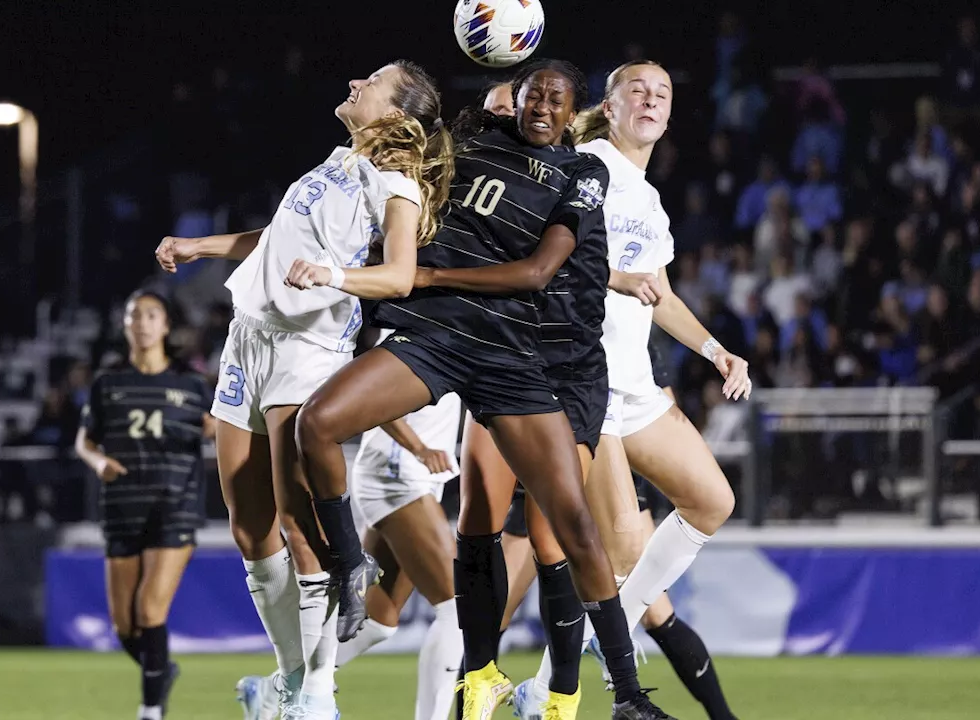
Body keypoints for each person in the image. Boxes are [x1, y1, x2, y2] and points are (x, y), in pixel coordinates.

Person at [291, 59, 671, 720]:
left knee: (571, 527)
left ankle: (626, 694)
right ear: (513, 101)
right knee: (318, 423)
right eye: (531, 95)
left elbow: (539, 272)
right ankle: (352, 567)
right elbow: (405, 143)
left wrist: (431, 280)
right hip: (434, 340)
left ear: (574, 112)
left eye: (556, 99)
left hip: (510, 356)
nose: (542, 106)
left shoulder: (582, 172)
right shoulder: (464, 149)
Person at [155, 60, 453, 720]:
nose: (353, 82)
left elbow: (399, 276)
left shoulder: (397, 184)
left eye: (370, 81)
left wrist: (335, 275)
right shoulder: (334, 161)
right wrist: (201, 246)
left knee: (299, 524)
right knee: (250, 530)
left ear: (394, 112)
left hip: (307, 346)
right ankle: (292, 679)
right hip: (247, 339)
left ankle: (318, 692)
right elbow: (276, 244)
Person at [514, 59, 750, 718]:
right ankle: (549, 682)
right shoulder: (582, 165)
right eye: (637, 90)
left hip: (638, 382)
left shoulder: (647, 198)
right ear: (612, 107)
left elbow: (661, 295)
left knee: (712, 499)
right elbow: (549, 255)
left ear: (670, 116)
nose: (650, 100)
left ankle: (593, 637)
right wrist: (612, 275)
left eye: (663, 94)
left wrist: (715, 350)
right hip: (586, 380)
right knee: (620, 542)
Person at [238, 360, 464, 720]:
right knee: (458, 607)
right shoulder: (414, 318)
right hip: (398, 474)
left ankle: (273, 688)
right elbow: (373, 397)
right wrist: (419, 447)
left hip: (418, 478)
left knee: (377, 621)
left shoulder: (461, 319)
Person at [74, 290, 215, 720]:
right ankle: (161, 669)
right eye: (134, 314)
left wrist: (220, 431)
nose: (142, 322)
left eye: (152, 315)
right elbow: (85, 439)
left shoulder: (193, 385)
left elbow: (219, 429)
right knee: (125, 626)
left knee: (151, 608)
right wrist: (98, 461)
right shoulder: (108, 384)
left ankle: (150, 709)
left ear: (166, 325)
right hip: (121, 507)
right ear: (124, 325)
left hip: (175, 505)